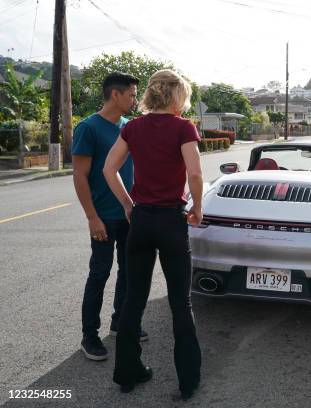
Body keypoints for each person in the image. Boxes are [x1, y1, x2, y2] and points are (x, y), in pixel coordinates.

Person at [103, 69, 203, 400]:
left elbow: (109, 169)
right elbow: (195, 172)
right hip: (172, 222)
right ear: (176, 95)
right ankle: (187, 381)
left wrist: (129, 206)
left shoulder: (133, 127)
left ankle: (127, 373)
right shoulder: (183, 127)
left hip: (142, 222)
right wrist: (197, 208)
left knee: (133, 300)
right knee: (180, 302)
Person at [72, 72, 148, 362]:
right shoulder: (88, 128)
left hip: (130, 213)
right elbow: (79, 175)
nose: (134, 100)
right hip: (103, 216)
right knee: (99, 273)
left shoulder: (130, 127)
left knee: (129, 272)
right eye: (131, 94)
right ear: (115, 95)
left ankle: (120, 322)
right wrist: (92, 217)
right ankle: (89, 336)